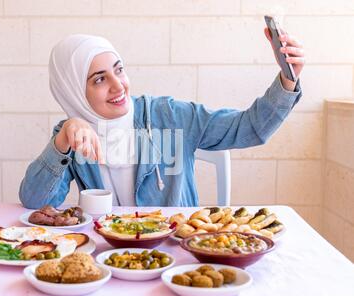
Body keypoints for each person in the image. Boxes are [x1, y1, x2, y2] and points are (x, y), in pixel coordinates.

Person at [19, 27, 304, 209]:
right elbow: (35, 202)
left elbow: (250, 128)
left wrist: (287, 81)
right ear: (73, 92)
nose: (118, 86)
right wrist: (61, 139)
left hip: (175, 257)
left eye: (119, 70)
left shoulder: (169, 116)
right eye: (99, 80)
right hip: (107, 260)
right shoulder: (73, 134)